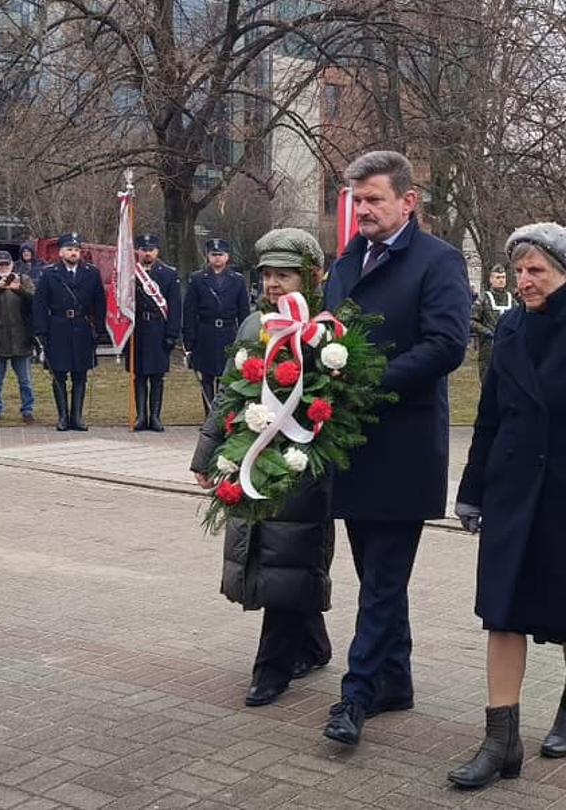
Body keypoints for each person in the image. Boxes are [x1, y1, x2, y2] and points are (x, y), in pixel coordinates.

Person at [449, 222, 566, 789]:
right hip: (513, 487)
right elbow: (490, 415)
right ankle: (501, 740)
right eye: (518, 270)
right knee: (502, 608)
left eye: (536, 270)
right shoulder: (511, 327)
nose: (523, 280)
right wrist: (472, 490)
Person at [318, 150, 472, 747]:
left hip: (404, 445)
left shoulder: (439, 261)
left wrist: (364, 379)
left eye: (375, 199)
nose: (364, 211)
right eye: (358, 201)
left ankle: (355, 695)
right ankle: (396, 680)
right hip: (352, 444)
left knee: (381, 580)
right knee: (374, 571)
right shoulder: (347, 260)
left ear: (409, 201)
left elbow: (445, 347)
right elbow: (328, 331)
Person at [191, 227, 334, 710]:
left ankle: (270, 670)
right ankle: (312, 645)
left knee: (288, 554)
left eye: (285, 274)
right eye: (268, 274)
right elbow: (230, 390)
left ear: (312, 278)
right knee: (276, 559)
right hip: (252, 455)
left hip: (302, 462)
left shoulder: (325, 329)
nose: (274, 284)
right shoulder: (255, 325)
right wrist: (207, 452)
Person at [34, 233, 105, 432]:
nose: (73, 253)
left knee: (80, 374)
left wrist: (99, 329)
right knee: (59, 374)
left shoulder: (91, 273)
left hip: (82, 327)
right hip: (58, 327)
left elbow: (100, 303)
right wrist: (41, 331)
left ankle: (77, 417)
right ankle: (63, 416)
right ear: (61, 252)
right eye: (70, 250)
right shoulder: (50, 274)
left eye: (76, 250)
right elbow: (40, 304)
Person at [123, 234, 182, 432]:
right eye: (144, 249)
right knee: (139, 375)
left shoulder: (168, 274)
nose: (148, 253)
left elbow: (175, 306)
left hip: (159, 329)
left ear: (157, 251)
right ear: (138, 251)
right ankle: (141, 417)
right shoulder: (130, 274)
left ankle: (155, 417)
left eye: (151, 250)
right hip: (137, 330)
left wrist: (172, 334)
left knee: (157, 376)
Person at [183, 238, 251, 408]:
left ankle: (222, 416)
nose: (217, 258)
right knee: (206, 377)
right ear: (208, 256)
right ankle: (209, 416)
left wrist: (244, 339)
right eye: (214, 255)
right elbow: (190, 311)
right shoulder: (198, 279)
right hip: (205, 332)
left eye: (221, 255)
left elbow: (243, 311)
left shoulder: (237, 280)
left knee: (226, 377)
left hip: (228, 333)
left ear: (227, 257)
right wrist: (189, 339)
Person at [0, 250, 36, 423]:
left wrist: (19, 289)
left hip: (21, 335)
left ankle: (28, 410)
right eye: (0, 265)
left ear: (12, 265)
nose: (3, 267)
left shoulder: (24, 279)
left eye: (6, 264)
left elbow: (34, 301)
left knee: (25, 380)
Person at [472, 266, 516, 381]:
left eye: (503, 277)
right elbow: (471, 321)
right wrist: (487, 332)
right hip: (488, 350)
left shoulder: (511, 300)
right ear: (491, 280)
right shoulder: (483, 299)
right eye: (498, 277)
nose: (501, 280)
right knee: (488, 383)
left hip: (509, 349)